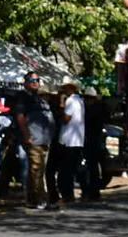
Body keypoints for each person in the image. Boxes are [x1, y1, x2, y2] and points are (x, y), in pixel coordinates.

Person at [13, 71, 56, 210]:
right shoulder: (23, 97)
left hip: (45, 140)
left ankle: (33, 199)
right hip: (34, 139)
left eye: (37, 80)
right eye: (32, 80)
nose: (35, 83)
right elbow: (20, 117)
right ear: (26, 83)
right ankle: (40, 199)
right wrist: (27, 136)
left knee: (40, 171)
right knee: (36, 170)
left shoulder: (39, 99)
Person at [53, 78, 85, 206]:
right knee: (71, 170)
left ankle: (66, 195)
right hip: (77, 140)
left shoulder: (71, 101)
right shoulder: (80, 101)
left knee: (65, 171)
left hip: (69, 140)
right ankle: (70, 194)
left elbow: (66, 119)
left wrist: (61, 105)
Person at [81, 86, 106, 200]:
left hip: (92, 140)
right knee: (92, 167)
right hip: (92, 140)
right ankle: (92, 191)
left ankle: (92, 191)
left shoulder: (94, 110)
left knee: (91, 167)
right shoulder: (97, 108)